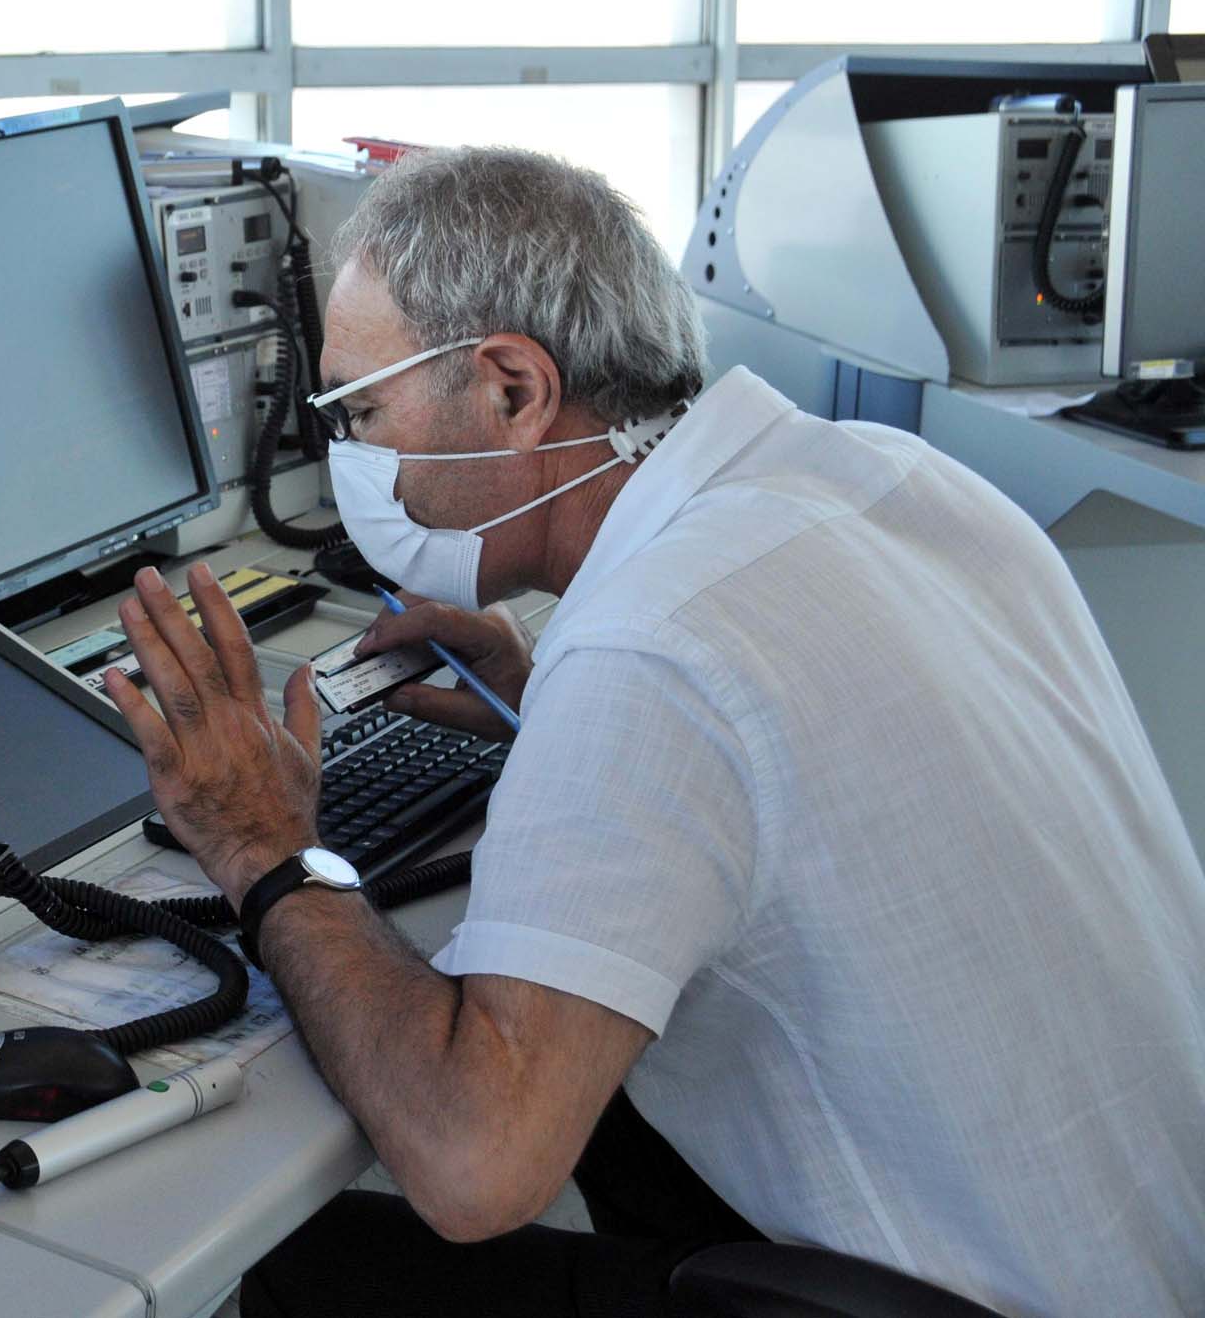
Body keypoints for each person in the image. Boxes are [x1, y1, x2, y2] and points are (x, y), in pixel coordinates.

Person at [98, 146, 1205, 1317]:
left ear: (513, 390)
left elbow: (477, 1167)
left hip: (972, 1301)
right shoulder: (893, 480)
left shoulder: (655, 646)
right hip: (1144, 1257)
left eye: (364, 412)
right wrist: (551, 708)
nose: (355, 457)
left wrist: (265, 847)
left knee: (301, 1266)